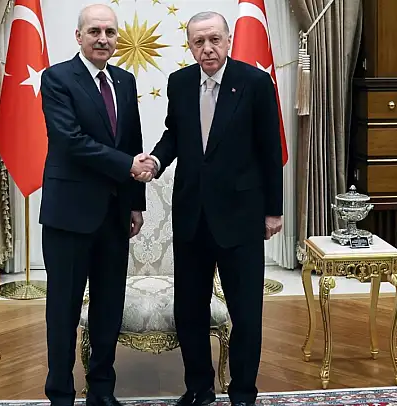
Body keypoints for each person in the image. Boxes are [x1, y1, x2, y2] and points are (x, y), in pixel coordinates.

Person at [135, 11, 283, 406]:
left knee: (245, 313)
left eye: (214, 39)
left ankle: (243, 392)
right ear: (190, 46)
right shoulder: (180, 82)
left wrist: (273, 211)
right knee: (190, 311)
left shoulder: (254, 82)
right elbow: (174, 134)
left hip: (241, 216)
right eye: (199, 42)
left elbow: (270, 150)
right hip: (192, 217)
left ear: (228, 40)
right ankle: (199, 389)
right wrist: (156, 161)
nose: (207, 48)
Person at [38, 4, 155, 406]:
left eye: (109, 32)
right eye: (94, 31)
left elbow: (132, 141)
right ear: (79, 36)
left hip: (114, 215)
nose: (103, 39)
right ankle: (60, 394)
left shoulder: (124, 80)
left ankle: (102, 391)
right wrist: (127, 166)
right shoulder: (57, 78)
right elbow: (70, 141)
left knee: (108, 308)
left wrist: (135, 203)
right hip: (69, 215)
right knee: (63, 310)